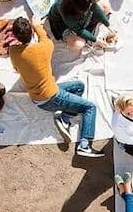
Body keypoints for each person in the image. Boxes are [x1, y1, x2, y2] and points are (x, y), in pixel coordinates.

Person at [6, 16, 103, 157]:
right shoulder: (45, 47)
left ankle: (64, 119)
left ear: (15, 36)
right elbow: (44, 36)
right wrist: (37, 25)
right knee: (90, 107)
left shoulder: (13, 52)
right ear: (32, 32)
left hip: (38, 97)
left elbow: (16, 67)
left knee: (79, 86)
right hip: (52, 96)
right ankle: (85, 144)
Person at [49, 0, 113, 53]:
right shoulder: (66, 11)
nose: (91, 6)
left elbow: (94, 6)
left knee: (106, 6)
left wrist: (108, 25)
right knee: (78, 44)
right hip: (63, 24)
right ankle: (87, 33)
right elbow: (79, 30)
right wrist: (96, 40)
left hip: (81, 17)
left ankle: (88, 32)